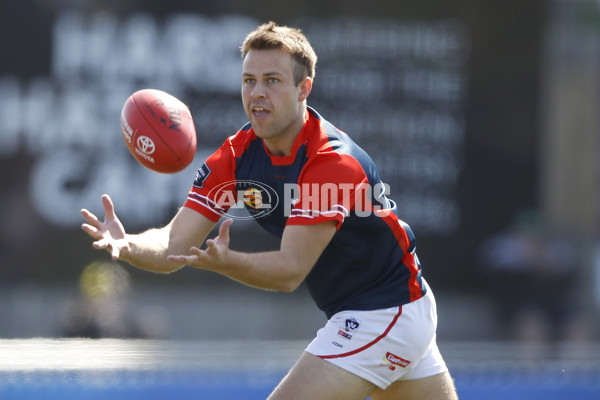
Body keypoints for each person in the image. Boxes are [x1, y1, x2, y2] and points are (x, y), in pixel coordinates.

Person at [81, 21, 458, 400]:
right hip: (394, 311)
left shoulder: (331, 162)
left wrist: (226, 262)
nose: (257, 93)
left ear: (303, 89)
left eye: (272, 80)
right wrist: (128, 243)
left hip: (383, 310)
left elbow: (289, 272)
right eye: (249, 80)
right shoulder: (237, 154)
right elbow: (173, 243)